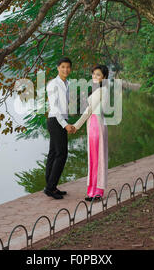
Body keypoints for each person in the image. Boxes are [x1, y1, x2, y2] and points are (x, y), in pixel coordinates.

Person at [73, 65, 109, 202]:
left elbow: (88, 110)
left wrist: (76, 126)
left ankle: (98, 191)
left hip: (97, 125)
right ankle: (92, 190)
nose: (94, 77)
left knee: (98, 158)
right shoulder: (98, 90)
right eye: (93, 74)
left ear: (104, 77)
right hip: (93, 125)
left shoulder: (102, 90)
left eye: (98, 75)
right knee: (93, 159)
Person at [44, 57, 76, 199]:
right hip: (56, 121)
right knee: (61, 154)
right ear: (58, 68)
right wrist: (65, 124)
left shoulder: (67, 83)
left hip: (61, 120)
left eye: (68, 67)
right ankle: (50, 187)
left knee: (53, 153)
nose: (65, 69)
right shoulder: (53, 84)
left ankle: (51, 186)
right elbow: (55, 107)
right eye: (63, 67)